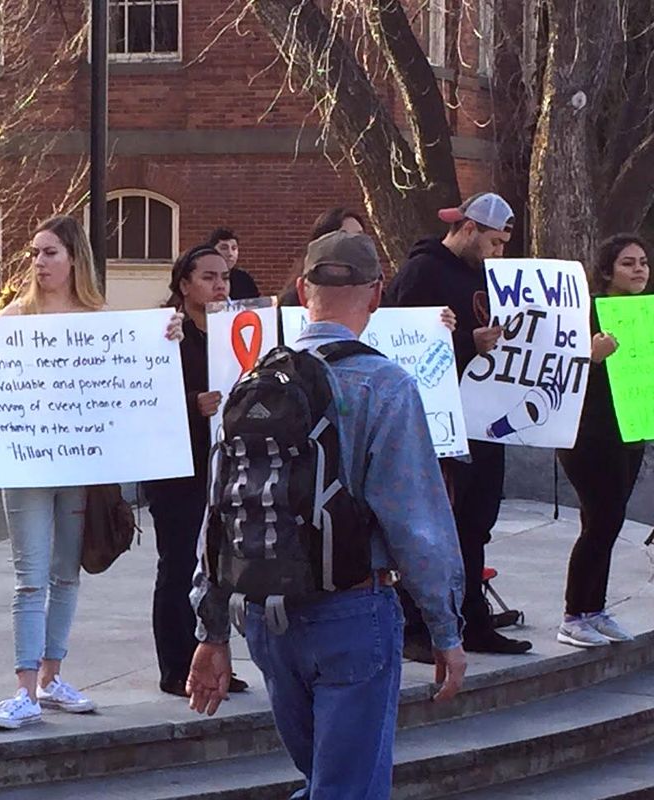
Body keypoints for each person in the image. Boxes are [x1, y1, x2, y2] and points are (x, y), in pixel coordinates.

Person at [187, 231, 467, 798]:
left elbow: (219, 511)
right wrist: (445, 625)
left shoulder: (253, 382)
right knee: (348, 789)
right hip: (351, 611)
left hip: (265, 616)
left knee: (324, 782)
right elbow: (416, 522)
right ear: (376, 294)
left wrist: (210, 629)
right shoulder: (385, 384)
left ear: (301, 290)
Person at [0, 215, 184, 730]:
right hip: (28, 463)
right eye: (34, 253)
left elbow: (133, 369)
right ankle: (25, 687)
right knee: (30, 578)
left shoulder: (98, 318)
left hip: (77, 465)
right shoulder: (13, 316)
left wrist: (165, 338)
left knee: (65, 573)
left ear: (74, 257)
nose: (39, 262)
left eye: (50, 252)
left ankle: (52, 677)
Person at [383, 191, 533, 659]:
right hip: (438, 425)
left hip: (485, 419)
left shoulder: (488, 276)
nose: (498, 252)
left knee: (475, 526)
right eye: (492, 242)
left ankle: (472, 621)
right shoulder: (424, 271)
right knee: (432, 527)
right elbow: (402, 347)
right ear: (468, 229)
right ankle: (416, 627)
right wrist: (469, 341)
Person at [144, 245, 247, 698]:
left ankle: (212, 656)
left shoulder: (234, 331)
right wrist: (192, 405)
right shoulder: (167, 332)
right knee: (180, 563)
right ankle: (175, 665)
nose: (219, 284)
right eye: (208, 276)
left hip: (224, 463)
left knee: (217, 565)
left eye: (224, 276)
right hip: (176, 468)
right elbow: (141, 396)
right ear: (183, 284)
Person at [555, 234, 649, 648]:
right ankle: (573, 614)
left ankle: (594, 608)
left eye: (644, 262)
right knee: (603, 519)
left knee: (607, 522)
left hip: (629, 430)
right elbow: (554, 369)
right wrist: (590, 357)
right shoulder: (584, 312)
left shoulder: (644, 314)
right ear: (607, 271)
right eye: (628, 263)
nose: (640, 270)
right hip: (588, 434)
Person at [278, 208, 367, 307]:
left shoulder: (372, 292)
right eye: (344, 235)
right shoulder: (295, 299)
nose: (354, 242)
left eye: (359, 236)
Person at [208, 227, 260, 300]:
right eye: (224, 248)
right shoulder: (204, 277)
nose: (230, 253)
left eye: (234, 248)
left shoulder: (244, 280)